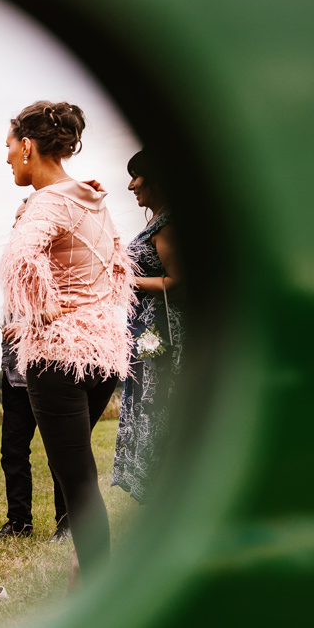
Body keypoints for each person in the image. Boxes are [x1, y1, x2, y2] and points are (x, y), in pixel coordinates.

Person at [0, 101, 132, 579]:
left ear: (28, 146)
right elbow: (118, 263)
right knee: (75, 472)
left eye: (9, 147)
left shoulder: (49, 201)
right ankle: (83, 572)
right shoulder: (90, 197)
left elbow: (19, 260)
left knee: (77, 480)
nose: (7, 157)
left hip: (59, 355)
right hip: (105, 352)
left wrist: (43, 310)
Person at [111, 150, 184, 503]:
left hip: (162, 334)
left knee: (157, 407)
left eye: (136, 176)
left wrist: (128, 280)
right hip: (144, 334)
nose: (130, 185)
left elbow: (177, 281)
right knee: (146, 405)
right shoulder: (156, 222)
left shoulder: (169, 223)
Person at [0, 319, 69, 543]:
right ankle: (19, 522)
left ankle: (66, 523)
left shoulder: (54, 284)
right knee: (12, 451)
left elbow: (65, 316)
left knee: (59, 453)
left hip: (51, 373)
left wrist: (27, 325)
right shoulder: (12, 288)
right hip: (15, 378)